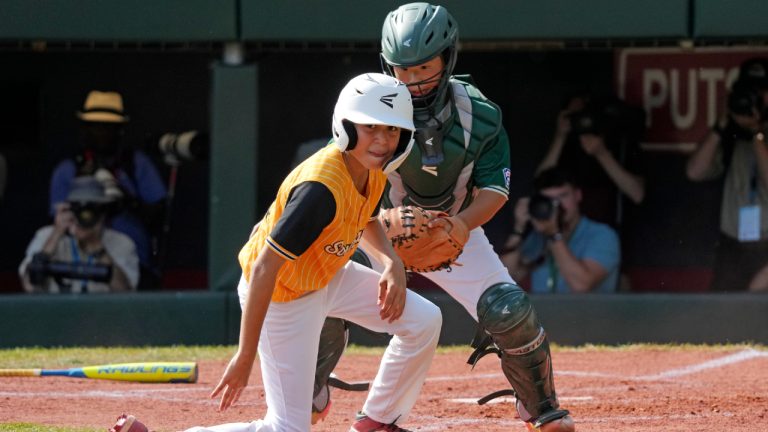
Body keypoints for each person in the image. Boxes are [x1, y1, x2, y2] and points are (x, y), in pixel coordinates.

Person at [114, 73, 442, 432]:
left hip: (325, 273)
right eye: (370, 127)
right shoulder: (321, 188)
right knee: (287, 428)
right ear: (346, 125)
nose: (382, 140)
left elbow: (364, 218)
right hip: (282, 295)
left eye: (392, 131)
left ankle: (377, 421)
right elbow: (264, 268)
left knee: (424, 320)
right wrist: (244, 355)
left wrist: (390, 262)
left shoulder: (371, 167)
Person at [314, 4, 575, 431]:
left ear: (448, 58)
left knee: (510, 311)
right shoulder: (366, 108)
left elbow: (495, 190)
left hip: (452, 227)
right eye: (402, 70)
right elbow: (345, 188)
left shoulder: (481, 114)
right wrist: (388, 259)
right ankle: (310, 392)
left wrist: (460, 225)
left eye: (424, 68)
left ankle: (540, 407)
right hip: (374, 229)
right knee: (322, 292)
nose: (413, 81)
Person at [49, 90, 167, 290]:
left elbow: (159, 216)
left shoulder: (135, 164)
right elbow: (59, 223)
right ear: (85, 129)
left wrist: (123, 196)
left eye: (108, 127)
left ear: (120, 130)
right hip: (78, 263)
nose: (102, 133)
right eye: (96, 126)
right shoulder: (68, 170)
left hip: (134, 259)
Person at [686, 57, 768, 292]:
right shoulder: (731, 135)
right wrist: (722, 124)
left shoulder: (757, 136)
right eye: (748, 91)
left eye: (761, 92)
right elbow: (694, 171)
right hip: (733, 245)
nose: (754, 98)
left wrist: (757, 133)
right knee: (723, 321)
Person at [501, 167, 620, 294]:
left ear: (578, 195)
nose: (556, 205)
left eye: (563, 196)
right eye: (549, 200)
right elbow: (505, 280)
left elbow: (581, 285)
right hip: (544, 313)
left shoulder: (602, 235)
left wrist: (553, 234)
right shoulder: (537, 236)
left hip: (588, 314)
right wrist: (519, 228)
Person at [537, 92, 646, 227]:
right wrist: (560, 136)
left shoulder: (621, 143)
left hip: (605, 230)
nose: (582, 120)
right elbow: (539, 185)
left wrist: (601, 153)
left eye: (584, 114)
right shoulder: (566, 144)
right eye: (575, 115)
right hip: (567, 228)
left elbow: (637, 194)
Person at [19, 176, 139, 293]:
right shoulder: (45, 236)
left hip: (102, 312)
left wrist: (97, 247)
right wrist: (56, 234)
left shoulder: (122, 243)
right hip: (57, 311)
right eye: (80, 209)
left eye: (91, 209)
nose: (85, 216)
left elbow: (125, 292)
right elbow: (29, 286)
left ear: (103, 213)